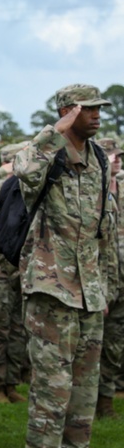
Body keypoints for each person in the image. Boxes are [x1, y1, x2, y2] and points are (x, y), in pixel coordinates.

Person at [16, 84, 111, 448]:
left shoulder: (99, 157)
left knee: (84, 387)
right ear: (69, 112)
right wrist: (54, 131)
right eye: (89, 110)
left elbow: (99, 230)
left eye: (99, 109)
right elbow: (23, 171)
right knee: (52, 385)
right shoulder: (45, 152)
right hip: (51, 287)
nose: (97, 115)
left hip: (88, 289)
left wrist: (102, 287)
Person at [0, 142, 29, 404]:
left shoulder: (26, 189)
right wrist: (3, 171)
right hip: (0, 269)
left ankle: (12, 383)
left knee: (19, 329)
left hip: (21, 271)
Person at [96, 137, 123, 420]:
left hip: (120, 281)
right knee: (90, 348)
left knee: (114, 346)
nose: (117, 159)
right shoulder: (94, 192)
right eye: (112, 155)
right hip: (97, 284)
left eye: (119, 155)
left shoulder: (121, 190)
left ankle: (105, 403)